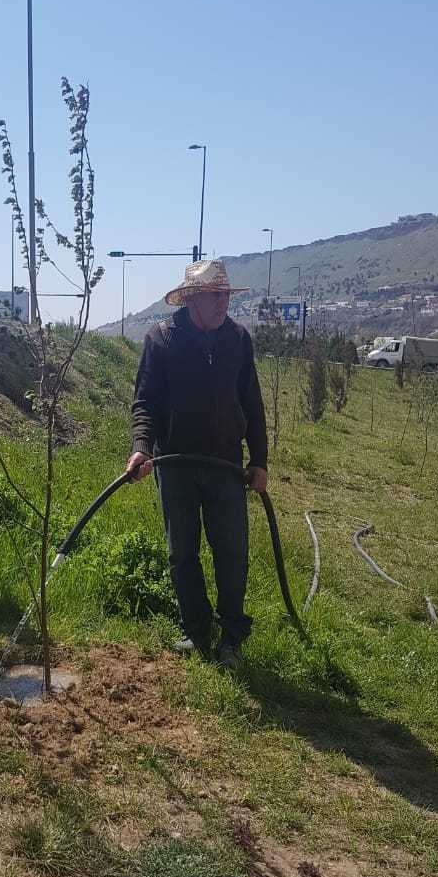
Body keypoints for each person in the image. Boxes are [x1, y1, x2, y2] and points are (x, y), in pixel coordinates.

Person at [126, 259, 268, 665]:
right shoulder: (161, 340)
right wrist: (142, 447)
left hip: (226, 465)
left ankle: (232, 637)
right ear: (191, 300)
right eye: (214, 295)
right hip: (175, 465)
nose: (223, 301)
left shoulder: (238, 340)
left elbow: (252, 404)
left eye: (225, 294)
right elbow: (145, 403)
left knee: (232, 551)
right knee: (181, 552)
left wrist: (259, 461)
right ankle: (197, 629)